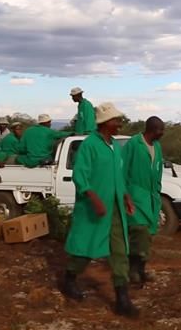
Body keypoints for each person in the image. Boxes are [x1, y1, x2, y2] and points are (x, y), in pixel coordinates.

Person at [61, 102, 139, 318]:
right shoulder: (90, 145)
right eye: (116, 121)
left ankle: (122, 299)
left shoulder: (115, 146)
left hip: (114, 209)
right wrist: (93, 198)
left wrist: (125, 196)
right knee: (86, 248)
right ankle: (70, 278)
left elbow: (118, 176)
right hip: (94, 209)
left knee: (119, 251)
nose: (120, 124)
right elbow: (80, 175)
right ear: (105, 123)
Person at [122, 116, 165, 288]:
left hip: (152, 197)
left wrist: (158, 191)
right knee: (139, 232)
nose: (162, 133)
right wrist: (126, 195)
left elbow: (158, 170)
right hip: (136, 195)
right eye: (160, 130)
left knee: (148, 235)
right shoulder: (134, 144)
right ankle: (133, 271)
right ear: (152, 129)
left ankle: (141, 269)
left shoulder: (157, 147)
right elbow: (122, 170)